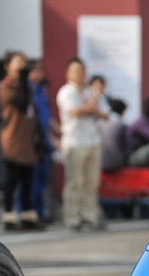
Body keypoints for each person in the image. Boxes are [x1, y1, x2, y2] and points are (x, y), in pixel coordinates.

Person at [56, 57, 108, 231]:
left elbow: (105, 114)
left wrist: (92, 105)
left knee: (92, 183)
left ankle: (90, 216)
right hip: (74, 142)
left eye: (82, 71)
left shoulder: (91, 91)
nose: (80, 74)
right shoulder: (66, 92)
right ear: (68, 73)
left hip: (93, 141)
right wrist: (92, 104)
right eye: (76, 71)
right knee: (74, 182)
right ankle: (72, 217)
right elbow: (76, 111)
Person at [0, 51, 41, 230]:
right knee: (12, 180)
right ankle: (9, 216)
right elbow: (20, 104)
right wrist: (23, 81)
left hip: (27, 141)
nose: (22, 64)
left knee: (27, 181)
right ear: (8, 66)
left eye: (23, 61)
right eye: (17, 61)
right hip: (12, 140)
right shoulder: (5, 85)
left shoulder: (27, 86)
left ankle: (27, 216)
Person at [25, 60, 55, 222]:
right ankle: (29, 213)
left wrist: (57, 134)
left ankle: (40, 212)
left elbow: (47, 118)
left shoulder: (42, 91)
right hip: (31, 143)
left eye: (40, 71)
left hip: (44, 142)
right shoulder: (26, 91)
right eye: (35, 71)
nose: (39, 74)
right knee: (32, 181)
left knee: (43, 180)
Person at [100, 98, 128, 172]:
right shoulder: (121, 124)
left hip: (100, 162)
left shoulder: (100, 123)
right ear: (122, 112)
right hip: (117, 163)